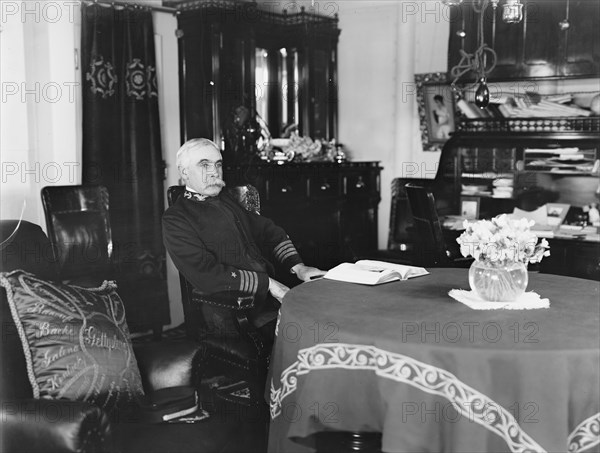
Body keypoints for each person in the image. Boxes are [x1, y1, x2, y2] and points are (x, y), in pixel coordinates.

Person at [162, 138, 325, 339]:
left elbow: (270, 232)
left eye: (218, 164)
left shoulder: (226, 201)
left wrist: (299, 267)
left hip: (269, 300)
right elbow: (207, 274)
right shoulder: (176, 218)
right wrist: (269, 285)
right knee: (313, 334)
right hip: (229, 311)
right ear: (184, 172)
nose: (214, 172)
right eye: (204, 165)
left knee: (327, 319)